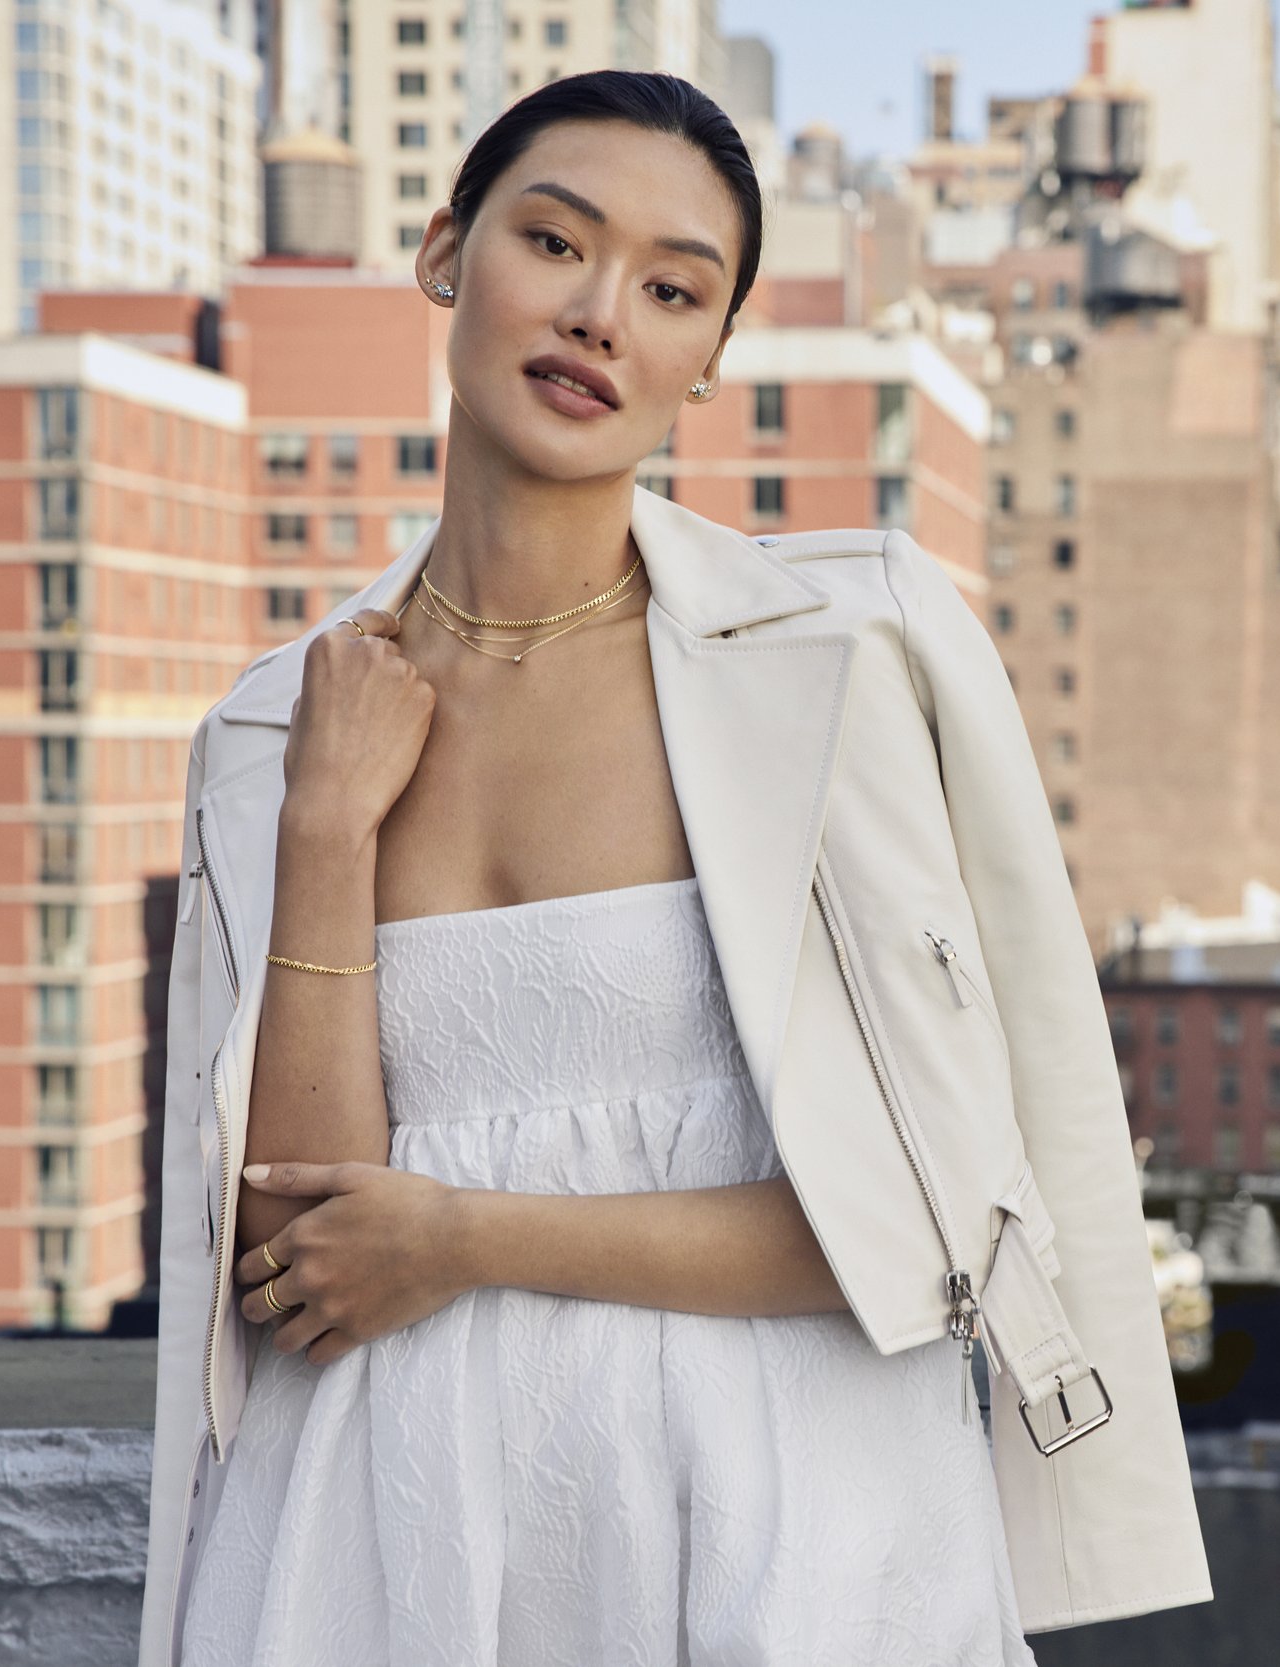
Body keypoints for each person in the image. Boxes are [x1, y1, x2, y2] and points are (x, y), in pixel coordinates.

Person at [136, 70, 1210, 1667]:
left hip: (787, 1514)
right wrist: (324, 826)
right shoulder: (275, 729)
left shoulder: (846, 653)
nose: (598, 316)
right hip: (389, 1521)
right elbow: (295, 1257)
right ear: (446, 256)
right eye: (554, 243)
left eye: (670, 289)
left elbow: (932, 1220)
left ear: (710, 357)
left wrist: (468, 1238)